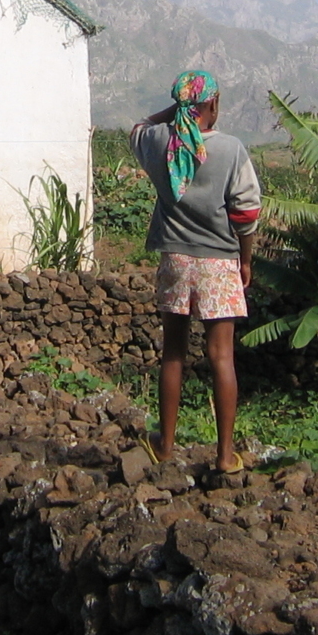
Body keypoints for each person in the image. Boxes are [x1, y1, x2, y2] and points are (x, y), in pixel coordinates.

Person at [129, 69, 261, 472]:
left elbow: (140, 126)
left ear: (181, 104)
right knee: (221, 355)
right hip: (220, 260)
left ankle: (165, 445)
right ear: (213, 105)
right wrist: (246, 259)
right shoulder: (231, 149)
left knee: (173, 352)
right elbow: (246, 212)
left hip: (176, 259)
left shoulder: (157, 143)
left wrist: (176, 110)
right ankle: (224, 456)